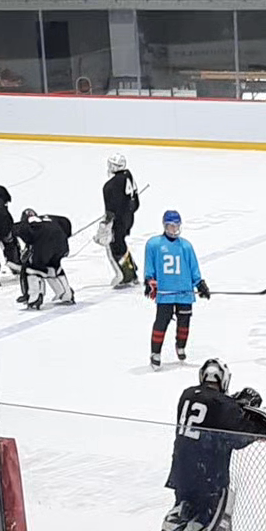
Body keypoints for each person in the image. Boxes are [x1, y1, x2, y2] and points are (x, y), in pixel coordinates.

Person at [156, 359, 266, 531]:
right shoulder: (224, 404)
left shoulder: (187, 394)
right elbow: (240, 436)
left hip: (181, 469)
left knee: (182, 509)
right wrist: (263, 423)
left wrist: (235, 405)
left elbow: (213, 411)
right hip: (209, 474)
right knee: (209, 521)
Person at [143, 210, 210, 369]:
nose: (174, 229)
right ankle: (155, 352)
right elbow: (149, 267)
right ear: (165, 226)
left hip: (184, 293)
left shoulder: (186, 246)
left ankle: (181, 346)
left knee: (184, 323)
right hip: (166, 293)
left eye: (176, 226)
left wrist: (200, 284)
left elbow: (193, 268)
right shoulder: (154, 244)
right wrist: (149, 281)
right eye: (171, 226)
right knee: (161, 322)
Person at [15, 208, 74, 310]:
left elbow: (23, 234)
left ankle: (34, 298)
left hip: (43, 247)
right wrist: (64, 236)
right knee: (54, 266)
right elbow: (65, 222)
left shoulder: (23, 224)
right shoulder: (48, 218)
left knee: (33, 269)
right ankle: (66, 295)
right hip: (61, 245)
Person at [100, 154, 140, 289]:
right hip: (128, 217)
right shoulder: (128, 175)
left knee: (116, 245)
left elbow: (110, 212)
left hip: (119, 221)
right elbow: (135, 202)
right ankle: (131, 269)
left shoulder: (109, 187)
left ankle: (126, 274)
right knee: (120, 241)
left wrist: (105, 224)